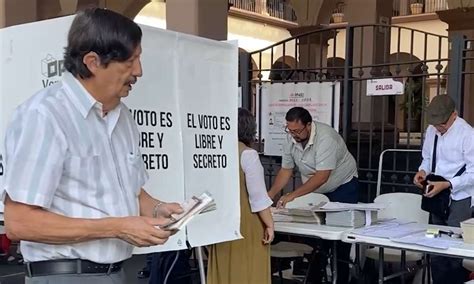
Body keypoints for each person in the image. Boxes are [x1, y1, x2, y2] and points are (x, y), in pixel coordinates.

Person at [1, 8, 182, 284]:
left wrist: (157, 209)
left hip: (116, 272)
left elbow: (130, 190)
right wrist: (118, 227)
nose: (139, 71)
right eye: (130, 61)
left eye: (139, 59)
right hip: (65, 276)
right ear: (92, 62)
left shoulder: (122, 119)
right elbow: (20, 222)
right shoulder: (45, 116)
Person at [268, 106, 359, 284]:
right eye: (289, 130)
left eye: (297, 130)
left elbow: (322, 176)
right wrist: (270, 194)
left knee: (340, 241)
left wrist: (292, 195)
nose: (293, 134)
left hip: (343, 186)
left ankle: (341, 279)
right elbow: (286, 169)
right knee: (317, 240)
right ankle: (315, 279)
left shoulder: (326, 137)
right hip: (316, 190)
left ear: (309, 125)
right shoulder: (290, 138)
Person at [207, 108, 274, 284]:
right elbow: (258, 197)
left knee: (224, 270)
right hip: (245, 223)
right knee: (248, 271)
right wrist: (270, 225)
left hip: (220, 221)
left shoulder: (214, 151)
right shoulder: (248, 154)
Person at [413, 94, 474, 284]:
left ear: (454, 115)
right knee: (436, 247)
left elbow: (473, 172)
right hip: (436, 196)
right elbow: (427, 159)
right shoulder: (431, 130)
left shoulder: (468, 134)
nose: (438, 128)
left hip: (460, 197)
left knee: (455, 249)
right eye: (435, 124)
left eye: (442, 124)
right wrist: (422, 172)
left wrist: (448, 184)